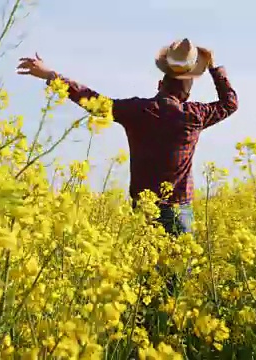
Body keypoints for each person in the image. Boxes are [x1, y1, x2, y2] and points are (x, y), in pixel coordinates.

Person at [17, 38, 238, 237]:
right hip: (179, 209)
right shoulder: (194, 115)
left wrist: (49, 75)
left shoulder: (136, 110)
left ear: (159, 85)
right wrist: (213, 67)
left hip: (143, 209)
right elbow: (230, 103)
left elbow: (92, 100)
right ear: (187, 93)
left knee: (145, 278)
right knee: (179, 279)